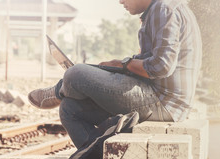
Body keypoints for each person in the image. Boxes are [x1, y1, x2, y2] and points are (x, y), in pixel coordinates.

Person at [28, 0, 202, 149]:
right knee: (69, 108)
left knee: (75, 73)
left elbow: (161, 67)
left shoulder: (163, 8)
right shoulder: (164, 8)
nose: (120, 1)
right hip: (163, 99)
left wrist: (123, 64)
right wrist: (117, 66)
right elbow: (151, 61)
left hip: (163, 102)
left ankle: (59, 90)